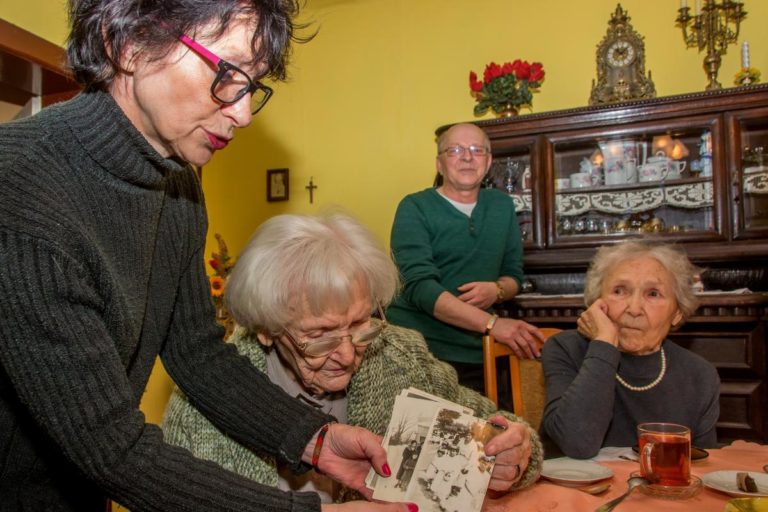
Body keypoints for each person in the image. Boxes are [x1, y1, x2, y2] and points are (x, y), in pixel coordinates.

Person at [0, 2, 411, 511]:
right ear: (125, 43)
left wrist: (316, 440)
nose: (241, 112)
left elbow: (198, 353)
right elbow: (114, 450)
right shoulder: (18, 189)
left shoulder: (179, 184)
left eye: (251, 86)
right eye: (226, 72)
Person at [161, 213, 543, 504]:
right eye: (319, 335)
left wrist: (515, 451)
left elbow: (497, 426)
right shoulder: (205, 395)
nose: (346, 354)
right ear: (265, 328)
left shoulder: (399, 356)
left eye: (361, 323)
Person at [388, 122, 544, 394]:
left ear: (489, 161)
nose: (468, 157)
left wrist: (496, 290)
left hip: (480, 351)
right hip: (420, 351)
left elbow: (513, 276)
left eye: (477, 150)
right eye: (455, 150)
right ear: (439, 164)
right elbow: (420, 288)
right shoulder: (414, 207)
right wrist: (493, 324)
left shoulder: (502, 206)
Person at [540, 240, 720, 459]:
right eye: (620, 291)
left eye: (653, 294)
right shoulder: (565, 348)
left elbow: (701, 465)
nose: (634, 309)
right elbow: (577, 444)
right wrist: (605, 341)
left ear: (677, 313)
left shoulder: (700, 375)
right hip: (576, 491)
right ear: (597, 302)